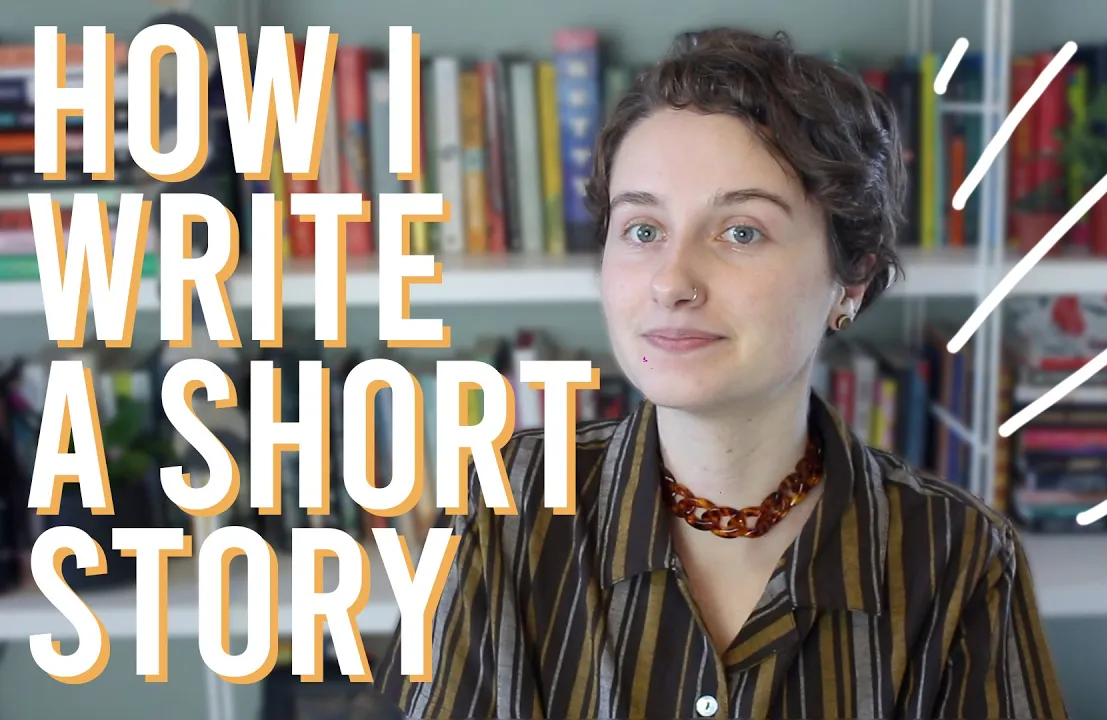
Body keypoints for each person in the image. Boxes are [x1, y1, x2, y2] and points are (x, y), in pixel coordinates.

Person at [370, 27, 1068, 720]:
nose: (672, 282)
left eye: (741, 231)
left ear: (852, 278)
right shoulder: (500, 508)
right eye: (643, 230)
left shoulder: (959, 559)